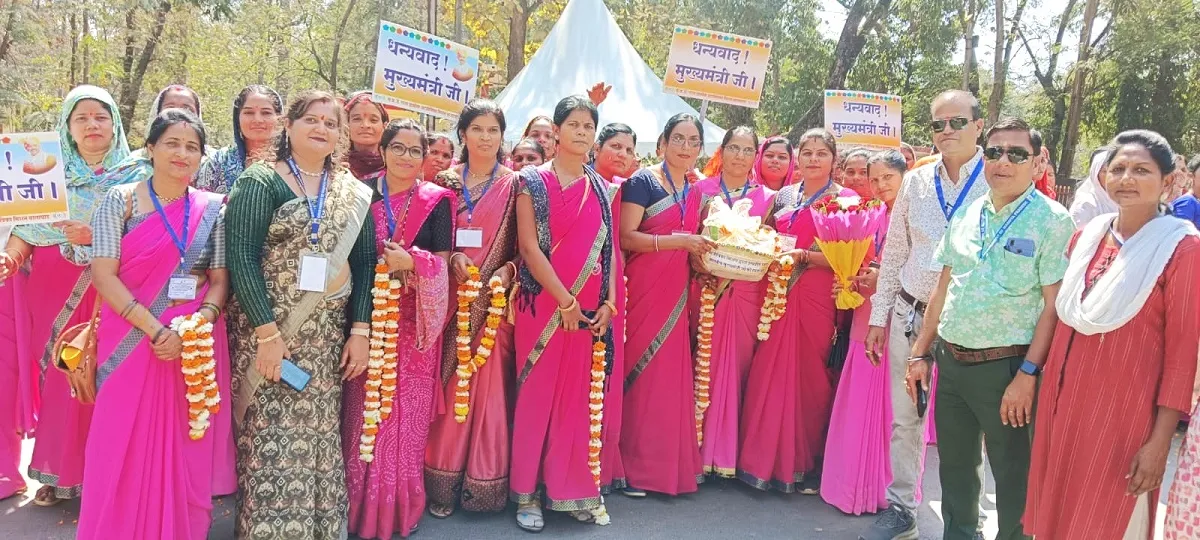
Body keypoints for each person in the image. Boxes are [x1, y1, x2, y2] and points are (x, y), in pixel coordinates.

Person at [1027, 130, 1200, 540]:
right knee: (1057, 516)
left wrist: (1159, 445)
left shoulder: (1181, 250)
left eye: (1141, 170)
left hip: (1124, 417)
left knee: (1107, 518)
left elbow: (1182, 356)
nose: (1126, 178)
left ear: (1169, 181)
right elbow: (1061, 316)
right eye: (1118, 169)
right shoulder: (1087, 236)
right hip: (1063, 404)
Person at [906, 118, 1074, 540]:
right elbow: (943, 289)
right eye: (994, 151)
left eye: (1016, 153)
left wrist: (1028, 375)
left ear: (1036, 164)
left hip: (1007, 369)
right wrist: (920, 353)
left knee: (1013, 476)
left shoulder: (1052, 221)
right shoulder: (967, 213)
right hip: (952, 365)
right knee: (957, 470)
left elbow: (1054, 308)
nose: (1003, 161)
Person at [226, 90, 376, 539]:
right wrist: (269, 335)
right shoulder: (260, 181)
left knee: (318, 436)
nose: (321, 128)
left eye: (331, 123)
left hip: (327, 337)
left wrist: (361, 330)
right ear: (287, 127)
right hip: (270, 332)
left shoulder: (352, 193)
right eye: (311, 119)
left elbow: (367, 262)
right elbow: (242, 258)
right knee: (271, 438)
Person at [77, 109, 229, 540]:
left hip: (190, 348)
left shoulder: (212, 209)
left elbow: (220, 282)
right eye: (172, 144)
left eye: (192, 147)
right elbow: (103, 275)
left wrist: (199, 321)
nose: (182, 154)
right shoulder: (120, 201)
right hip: (130, 341)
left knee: (183, 447)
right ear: (150, 149)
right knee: (118, 443)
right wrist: (155, 329)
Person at [858, 89, 991, 540]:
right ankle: (902, 510)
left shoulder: (997, 177)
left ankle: (965, 521)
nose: (947, 132)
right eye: (938, 125)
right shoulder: (916, 180)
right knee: (905, 419)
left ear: (978, 124)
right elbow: (895, 253)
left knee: (966, 426)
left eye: (957, 122)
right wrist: (880, 318)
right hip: (910, 313)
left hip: (969, 324)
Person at [0, 85, 135, 507]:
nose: (92, 125)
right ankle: (58, 474)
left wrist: (98, 236)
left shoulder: (140, 174)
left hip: (114, 289)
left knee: (109, 376)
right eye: (82, 118)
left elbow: (155, 235)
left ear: (114, 123)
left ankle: (111, 474)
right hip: (53, 290)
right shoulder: (41, 171)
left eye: (100, 116)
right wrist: (9, 256)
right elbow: (26, 229)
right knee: (63, 378)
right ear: (67, 127)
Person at [341, 119, 453, 539]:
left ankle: (395, 511)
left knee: (404, 420)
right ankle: (355, 510)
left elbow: (442, 264)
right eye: (399, 148)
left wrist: (414, 264)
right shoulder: (359, 192)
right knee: (360, 413)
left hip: (413, 324)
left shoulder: (437, 200)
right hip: (363, 318)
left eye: (415, 151)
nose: (407, 157)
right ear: (383, 150)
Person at [511, 95, 618, 532]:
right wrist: (565, 302)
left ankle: (566, 488)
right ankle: (527, 493)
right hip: (544, 307)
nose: (581, 132)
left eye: (588, 126)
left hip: (590, 310)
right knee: (537, 400)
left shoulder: (602, 188)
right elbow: (529, 249)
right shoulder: (531, 182)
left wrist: (609, 302)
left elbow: (609, 250)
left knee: (574, 403)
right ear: (555, 131)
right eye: (572, 124)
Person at [738, 128, 850, 495]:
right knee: (767, 372)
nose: (813, 159)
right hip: (776, 293)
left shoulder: (845, 200)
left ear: (834, 159)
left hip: (816, 296)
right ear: (798, 158)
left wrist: (804, 256)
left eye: (821, 153)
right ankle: (759, 462)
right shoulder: (786, 195)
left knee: (809, 379)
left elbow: (851, 256)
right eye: (807, 152)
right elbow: (766, 234)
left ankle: (800, 463)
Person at [424, 98, 518, 518]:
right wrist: (448, 260)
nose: (485, 137)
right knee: (448, 389)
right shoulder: (443, 182)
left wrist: (509, 272)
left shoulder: (516, 185)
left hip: (493, 306)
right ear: (463, 134)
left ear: (502, 136)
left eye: (493, 130)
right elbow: (426, 240)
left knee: (488, 394)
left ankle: (484, 486)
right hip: (448, 303)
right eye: (477, 129)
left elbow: (527, 247)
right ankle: (440, 482)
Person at [619, 113, 714, 497]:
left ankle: (664, 469)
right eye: (679, 139)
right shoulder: (642, 182)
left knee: (668, 379)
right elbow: (627, 237)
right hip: (643, 289)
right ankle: (632, 467)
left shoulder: (694, 190)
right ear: (663, 141)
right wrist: (679, 243)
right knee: (640, 373)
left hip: (677, 293)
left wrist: (701, 262)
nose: (685, 147)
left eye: (693, 141)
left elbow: (694, 243)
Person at [821, 149, 904, 515]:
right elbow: (856, 262)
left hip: (899, 317)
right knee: (858, 396)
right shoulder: (869, 216)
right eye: (875, 179)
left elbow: (927, 271)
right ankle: (851, 485)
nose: (880, 185)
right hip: (864, 314)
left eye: (888, 177)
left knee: (891, 405)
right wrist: (848, 283)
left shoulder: (915, 216)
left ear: (906, 177)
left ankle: (884, 488)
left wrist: (882, 277)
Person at [691, 126, 774, 478]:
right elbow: (688, 236)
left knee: (738, 369)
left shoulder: (769, 197)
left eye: (747, 150)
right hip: (705, 288)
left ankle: (727, 456)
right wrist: (697, 263)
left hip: (746, 293)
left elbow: (772, 244)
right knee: (700, 365)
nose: (740, 155)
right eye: (734, 148)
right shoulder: (699, 190)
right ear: (721, 152)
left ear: (755, 155)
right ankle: (694, 454)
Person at [195, 85, 283, 194]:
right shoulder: (218, 162)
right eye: (249, 113)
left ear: (279, 119)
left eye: (266, 113)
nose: (258, 119)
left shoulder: (293, 162)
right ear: (237, 118)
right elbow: (201, 205)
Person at [345, 91, 390, 183]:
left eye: (373, 120)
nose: (365, 125)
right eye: (357, 119)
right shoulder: (334, 166)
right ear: (346, 124)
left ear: (384, 126)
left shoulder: (395, 166)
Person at [1068, 147, 1115, 229]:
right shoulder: (1085, 205)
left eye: (1115, 171)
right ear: (1095, 174)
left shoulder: (1124, 202)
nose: (1110, 176)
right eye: (1105, 171)